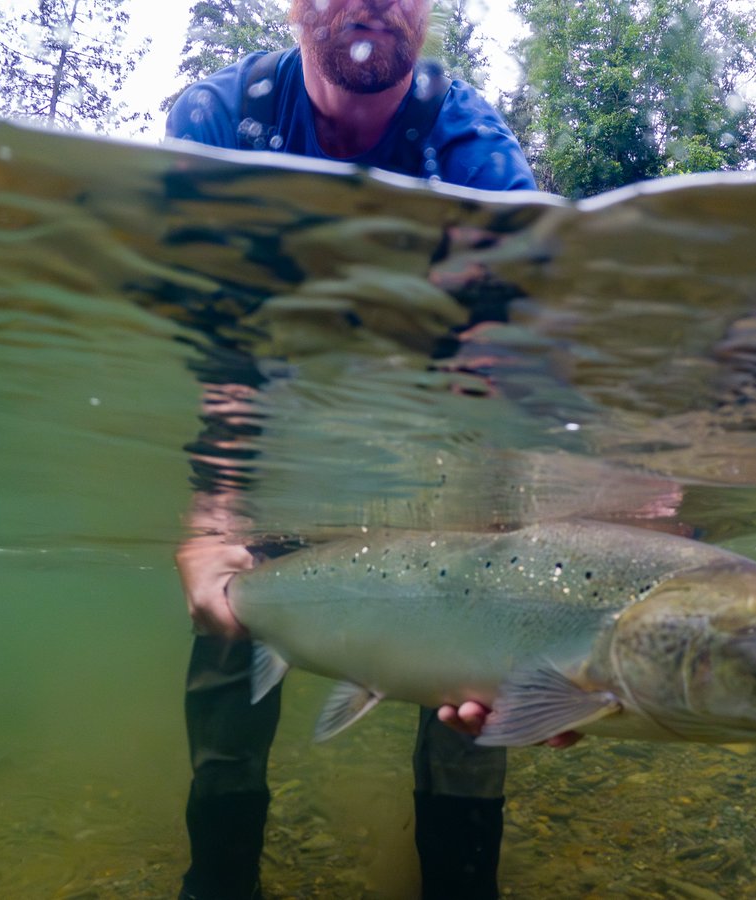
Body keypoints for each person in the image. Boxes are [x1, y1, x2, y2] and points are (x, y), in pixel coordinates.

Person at [165, 2, 546, 898]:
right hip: (269, 421)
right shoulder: (220, 124)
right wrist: (213, 517)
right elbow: (221, 366)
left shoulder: (477, 157)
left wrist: (490, 525)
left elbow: (502, 381)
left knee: (483, 644)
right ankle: (218, 882)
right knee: (228, 617)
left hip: (432, 432)